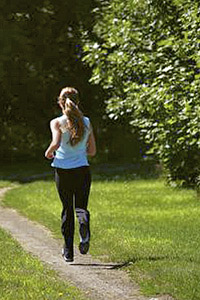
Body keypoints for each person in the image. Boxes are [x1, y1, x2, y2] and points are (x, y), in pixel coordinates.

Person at [45, 87, 96, 262]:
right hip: (82, 170)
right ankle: (84, 229)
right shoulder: (87, 122)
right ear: (78, 101)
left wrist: (49, 152)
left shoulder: (57, 122)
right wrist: (79, 150)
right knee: (80, 207)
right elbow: (92, 151)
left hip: (63, 171)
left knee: (67, 208)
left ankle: (68, 252)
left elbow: (56, 142)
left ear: (60, 102)